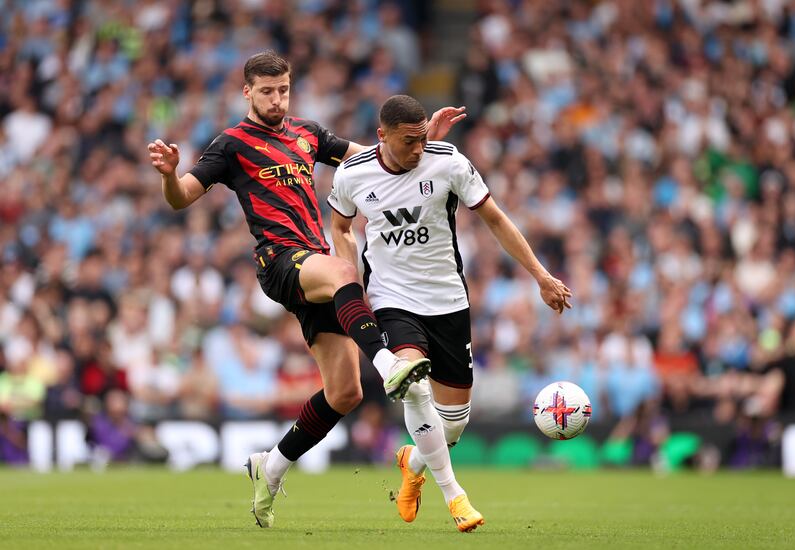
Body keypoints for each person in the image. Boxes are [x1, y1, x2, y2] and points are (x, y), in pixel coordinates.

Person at [147, 51, 464, 528]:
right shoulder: (232, 144)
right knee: (344, 270)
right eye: (268, 91)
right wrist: (170, 173)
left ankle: (269, 468)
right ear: (247, 92)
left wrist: (423, 145)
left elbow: (377, 159)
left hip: (314, 266)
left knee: (345, 393)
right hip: (279, 261)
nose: (277, 99)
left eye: (284, 90)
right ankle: (389, 364)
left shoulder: (308, 133)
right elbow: (182, 198)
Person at [328, 95, 572, 532]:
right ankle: (454, 496)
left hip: (448, 301)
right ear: (382, 136)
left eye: (423, 139)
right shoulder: (352, 173)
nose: (418, 149)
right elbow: (341, 227)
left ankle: (413, 463)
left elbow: (496, 220)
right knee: (411, 381)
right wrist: (349, 274)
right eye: (408, 141)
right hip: (392, 299)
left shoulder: (448, 161)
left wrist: (541, 275)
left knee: (453, 427)